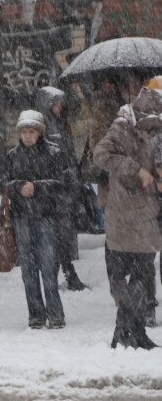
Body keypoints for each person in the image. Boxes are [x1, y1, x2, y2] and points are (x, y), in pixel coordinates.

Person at [94, 88, 162, 349]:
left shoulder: (145, 131)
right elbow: (100, 155)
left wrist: (154, 174)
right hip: (125, 215)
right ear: (142, 116)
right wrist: (136, 169)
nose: (154, 132)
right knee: (136, 277)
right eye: (152, 127)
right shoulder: (121, 128)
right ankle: (127, 333)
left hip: (145, 213)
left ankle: (131, 333)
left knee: (142, 278)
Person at [5, 110, 65, 330]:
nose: (27, 136)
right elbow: (6, 182)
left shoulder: (53, 153)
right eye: (24, 131)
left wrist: (37, 187)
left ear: (40, 132)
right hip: (22, 217)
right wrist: (19, 186)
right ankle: (36, 314)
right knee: (28, 269)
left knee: (49, 267)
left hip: (46, 216)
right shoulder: (12, 155)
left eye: (31, 131)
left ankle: (56, 313)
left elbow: (62, 184)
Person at [35, 87, 87, 291]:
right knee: (56, 234)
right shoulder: (45, 127)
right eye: (55, 104)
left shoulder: (59, 124)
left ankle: (66, 270)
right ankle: (62, 272)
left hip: (64, 187)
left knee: (62, 233)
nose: (59, 108)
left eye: (60, 104)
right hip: (54, 190)